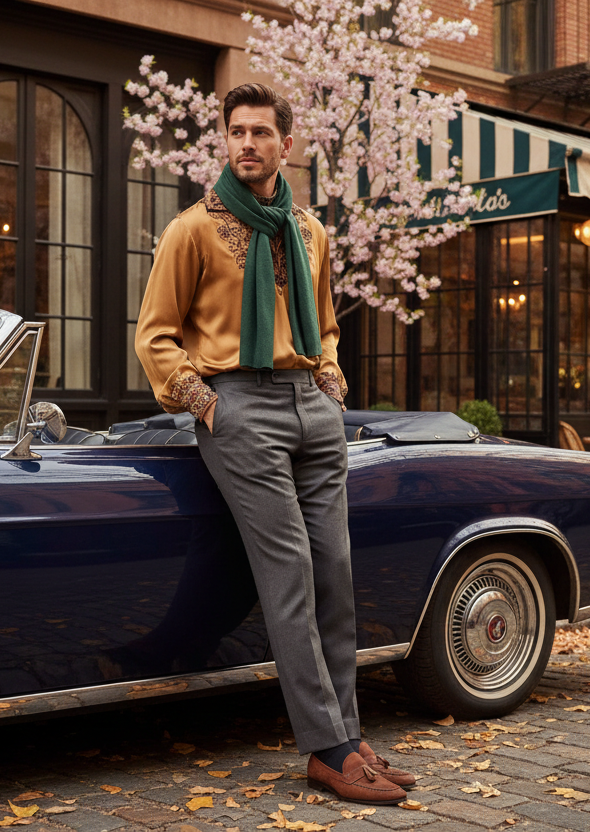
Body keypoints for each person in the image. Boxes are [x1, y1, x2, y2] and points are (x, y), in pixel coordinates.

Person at [134, 83, 412, 805]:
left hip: (312, 410)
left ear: (286, 144)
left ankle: (349, 735)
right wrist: (205, 403)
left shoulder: (311, 231)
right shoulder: (192, 229)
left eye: (261, 132)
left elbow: (325, 325)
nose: (247, 143)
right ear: (225, 141)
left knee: (334, 579)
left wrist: (331, 382)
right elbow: (155, 334)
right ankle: (327, 750)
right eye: (236, 132)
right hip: (239, 406)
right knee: (287, 576)